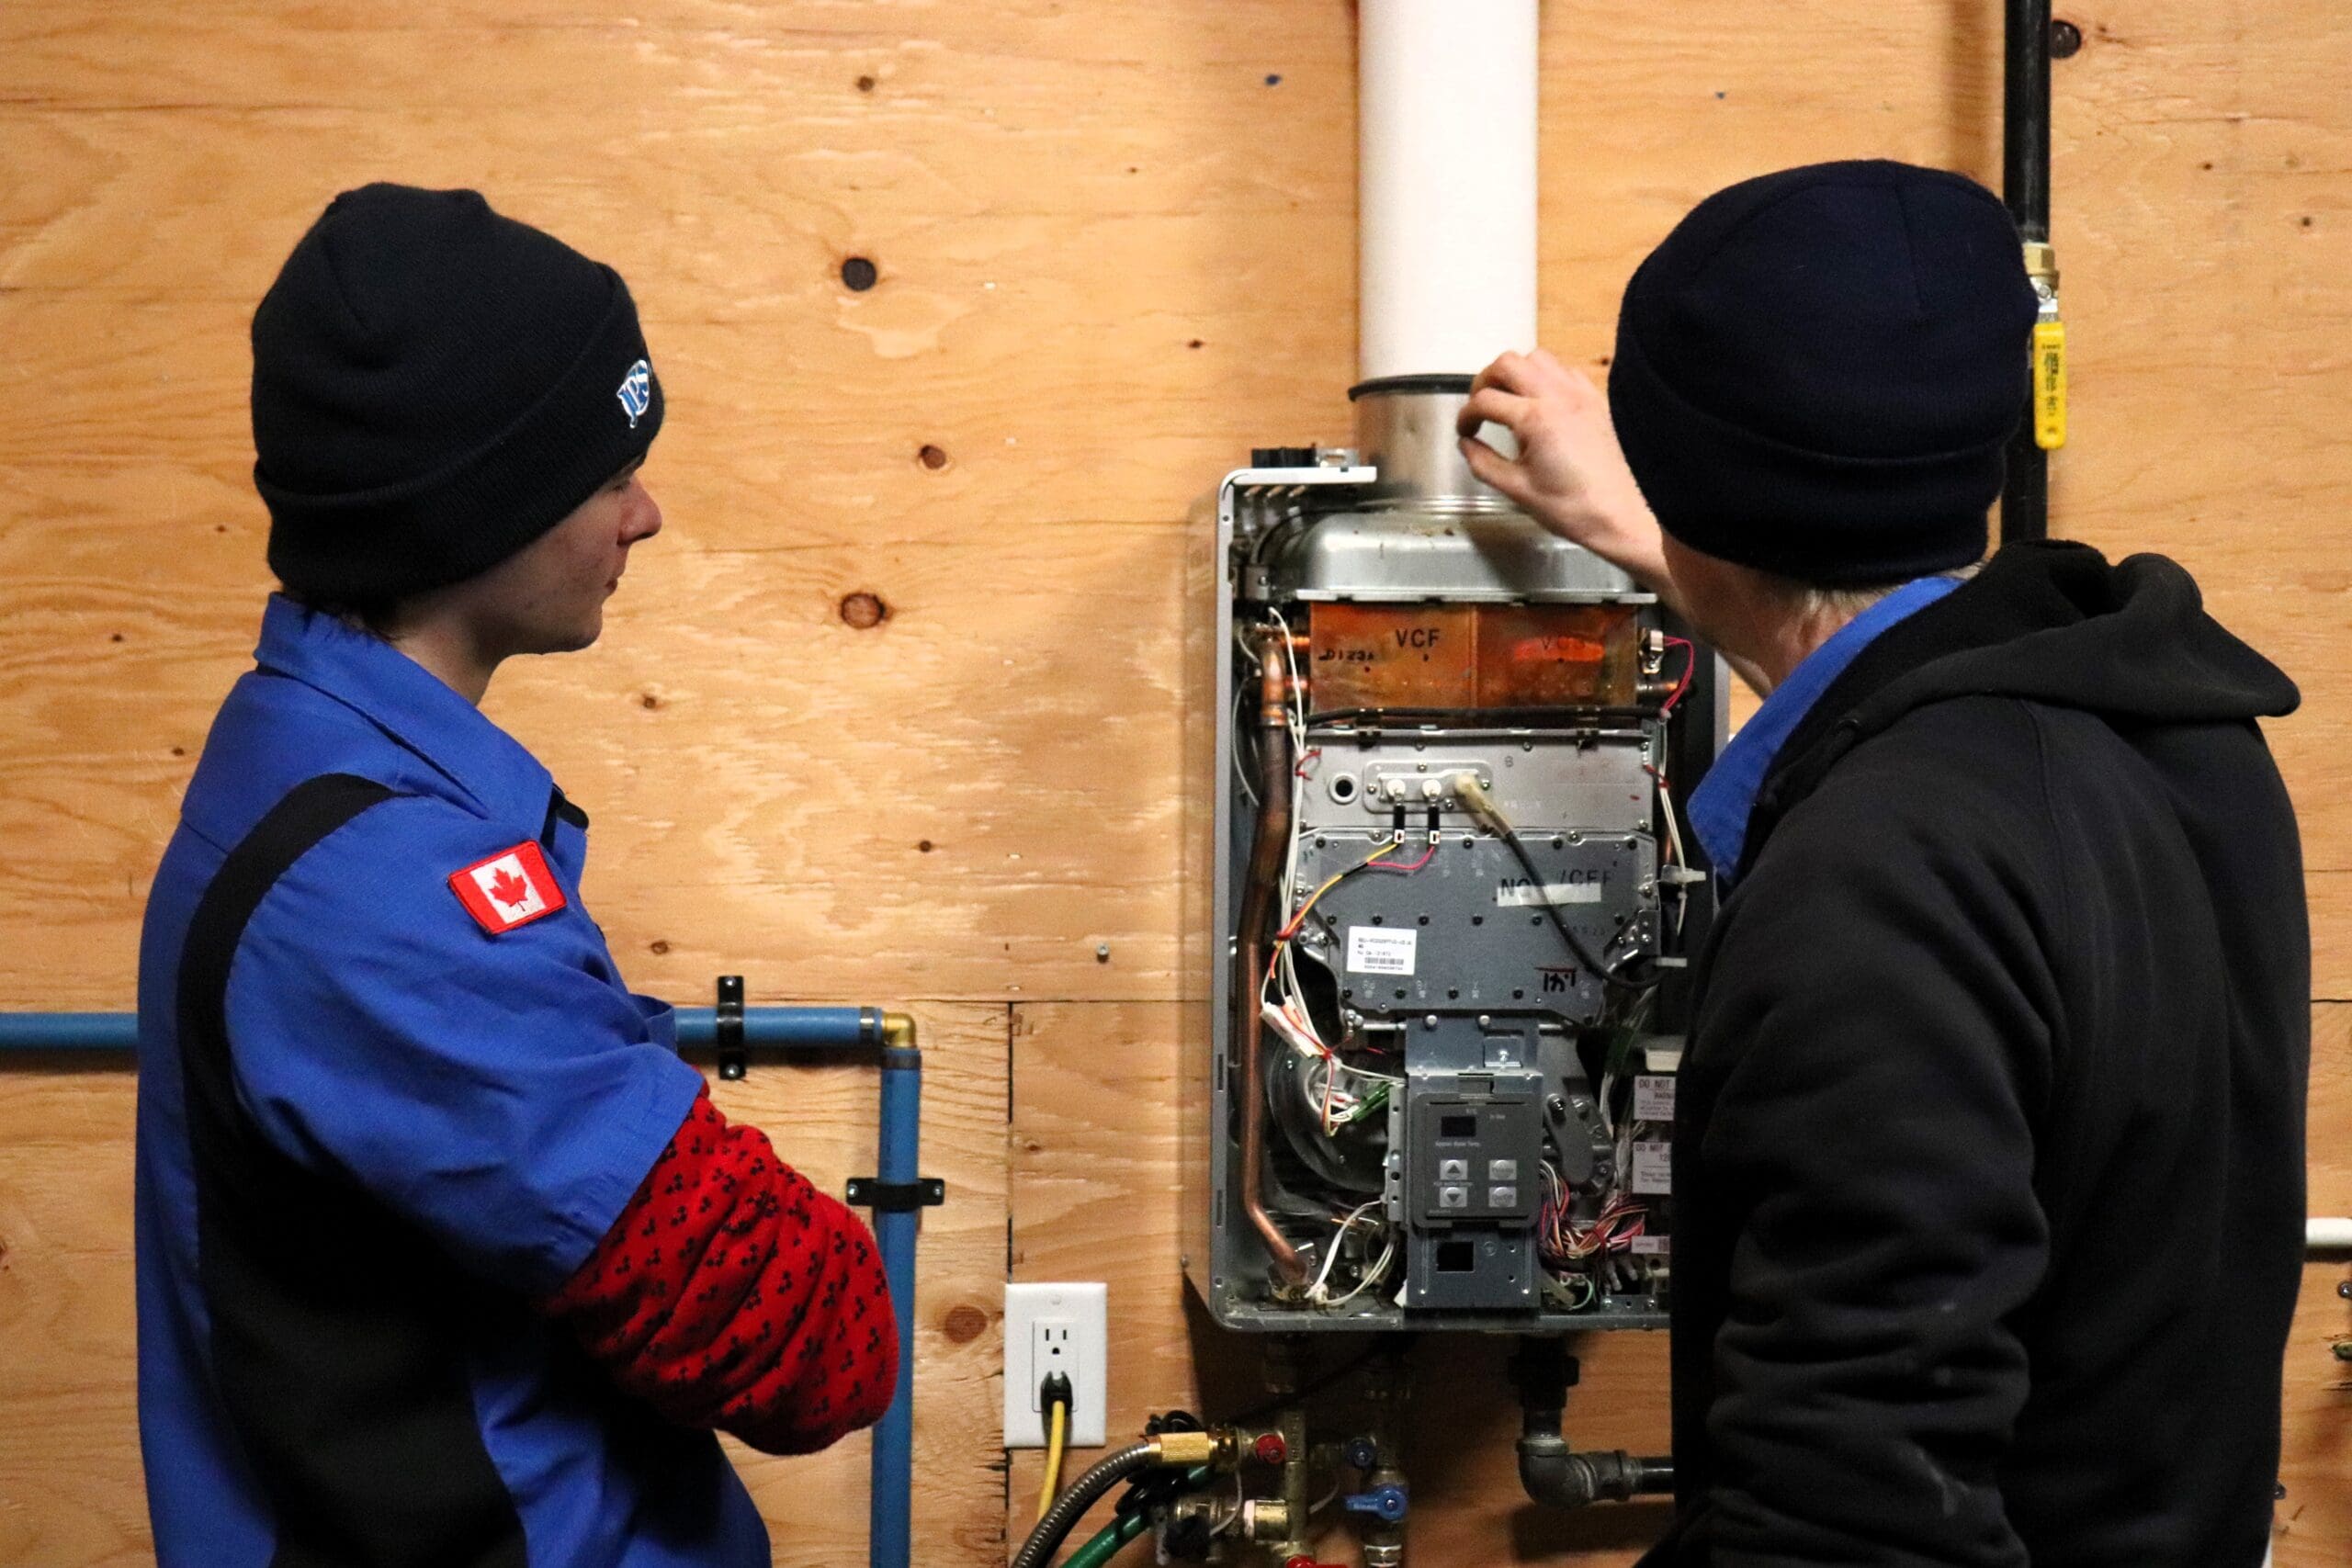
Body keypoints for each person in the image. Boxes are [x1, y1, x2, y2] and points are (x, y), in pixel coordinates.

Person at [1461, 160, 2307, 1567]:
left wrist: (1686, 514)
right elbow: (1876, 652)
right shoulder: (2182, 742)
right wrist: (1666, 534)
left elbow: (1855, 1515)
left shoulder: (1878, 877)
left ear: (1684, 478)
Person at [135, 184, 897, 1568]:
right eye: (610, 475)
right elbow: (816, 1347)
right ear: (474, 511)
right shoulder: (382, 889)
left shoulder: (320, 778)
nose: (646, 513)